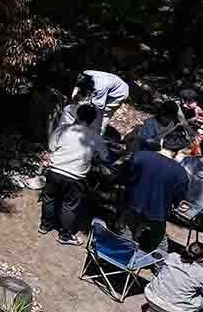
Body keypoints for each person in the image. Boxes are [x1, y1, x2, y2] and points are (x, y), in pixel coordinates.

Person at [44, 102, 108, 246]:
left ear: (77, 115)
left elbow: (51, 146)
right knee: (69, 205)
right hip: (76, 176)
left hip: (55, 170)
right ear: (92, 120)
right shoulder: (95, 137)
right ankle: (65, 235)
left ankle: (45, 226)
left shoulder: (63, 129)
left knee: (49, 198)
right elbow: (105, 156)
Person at [123, 137, 190, 252]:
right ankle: (159, 266)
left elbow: (127, 176)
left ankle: (121, 254)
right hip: (158, 212)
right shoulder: (180, 173)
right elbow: (178, 199)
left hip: (134, 203)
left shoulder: (141, 156)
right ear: (178, 151)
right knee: (160, 241)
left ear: (162, 143)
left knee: (127, 230)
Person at [143, 241, 203, 312]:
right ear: (202, 259)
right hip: (175, 311)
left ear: (187, 249)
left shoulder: (172, 256)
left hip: (150, 297)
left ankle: (154, 310)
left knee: (166, 283)